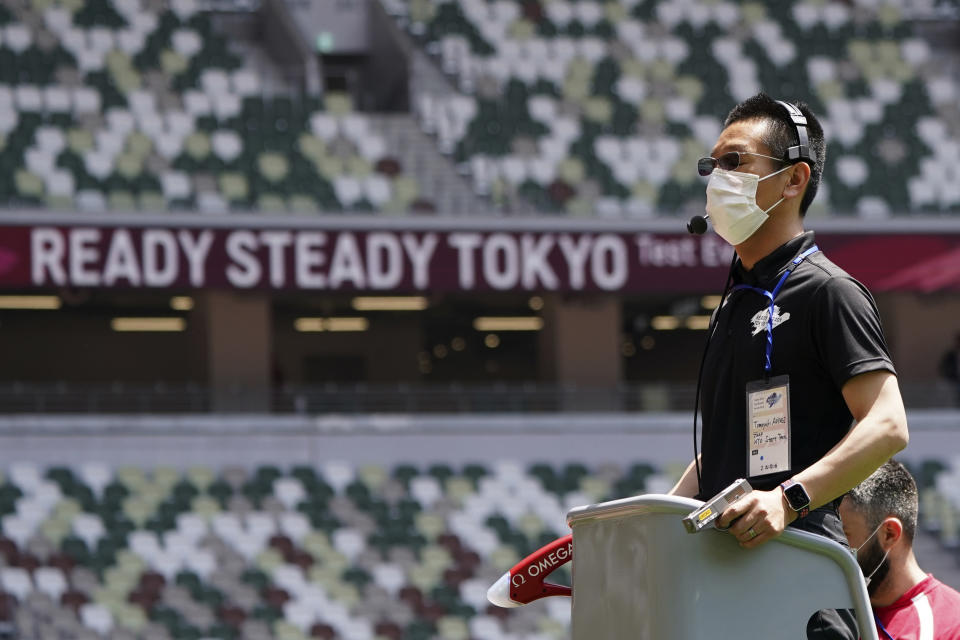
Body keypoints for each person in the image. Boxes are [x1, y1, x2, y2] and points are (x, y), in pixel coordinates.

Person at [669, 93, 908, 551]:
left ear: (794, 179)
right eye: (712, 165)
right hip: (728, 564)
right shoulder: (732, 303)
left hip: (801, 566)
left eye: (734, 161)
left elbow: (888, 424)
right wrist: (657, 515)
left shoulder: (830, 291)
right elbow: (721, 450)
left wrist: (787, 499)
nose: (718, 178)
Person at [840, 460, 960, 639]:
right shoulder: (823, 614)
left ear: (889, 533)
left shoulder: (951, 625)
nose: (834, 547)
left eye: (843, 534)